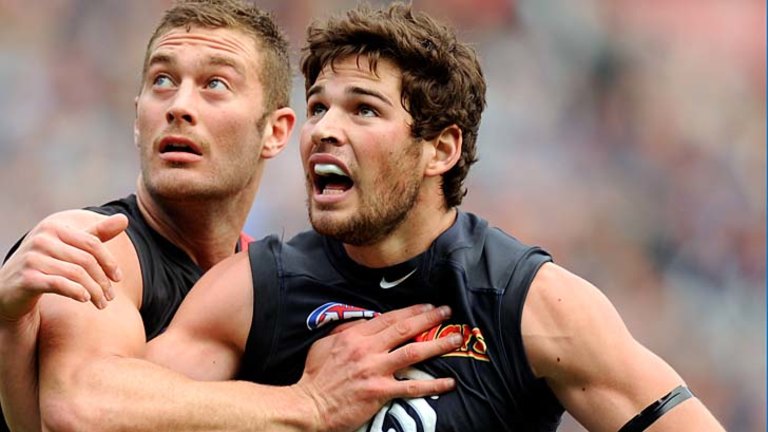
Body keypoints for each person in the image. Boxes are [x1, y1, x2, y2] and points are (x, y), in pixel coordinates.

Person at [142, 3, 727, 431]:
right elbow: (100, 411)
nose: (323, 129)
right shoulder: (254, 290)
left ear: (440, 149)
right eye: (317, 106)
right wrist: (303, 406)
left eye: (363, 110)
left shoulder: (528, 302)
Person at [0, 1, 460, 431]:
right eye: (162, 80)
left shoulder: (266, 278)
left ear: (275, 132)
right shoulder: (94, 244)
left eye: (214, 84)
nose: (179, 106)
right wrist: (310, 404)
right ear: (138, 117)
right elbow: (82, 406)